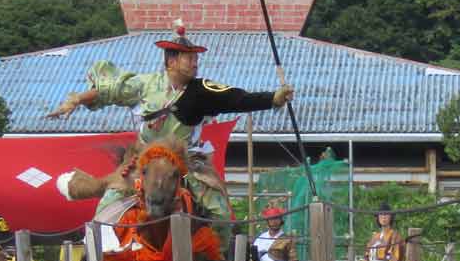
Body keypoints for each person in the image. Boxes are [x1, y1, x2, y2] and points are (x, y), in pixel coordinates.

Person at [47, 20, 294, 231]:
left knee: (218, 212)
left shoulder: (202, 90)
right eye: (189, 57)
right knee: (106, 207)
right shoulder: (144, 85)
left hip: (186, 161)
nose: (195, 62)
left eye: (196, 57)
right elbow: (108, 90)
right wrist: (77, 99)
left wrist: (273, 98)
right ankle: (102, 259)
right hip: (143, 159)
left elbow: (238, 99)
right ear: (171, 61)